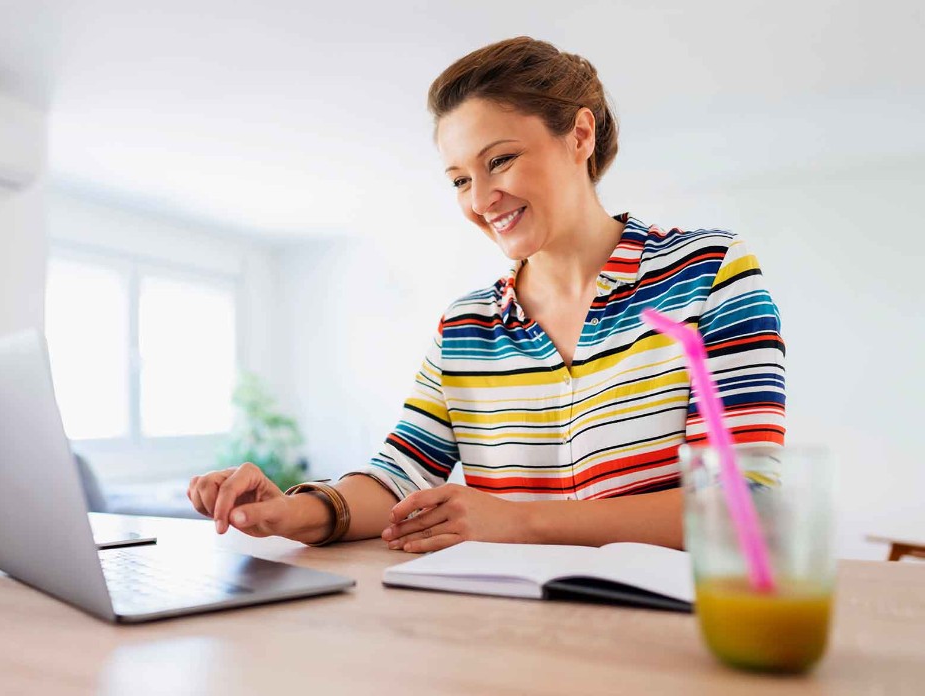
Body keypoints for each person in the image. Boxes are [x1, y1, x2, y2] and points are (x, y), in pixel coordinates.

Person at [187, 36, 785, 554]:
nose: (480, 199)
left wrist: (516, 519)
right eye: (460, 180)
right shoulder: (465, 326)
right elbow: (400, 474)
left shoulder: (709, 272)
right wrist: (297, 511)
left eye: (499, 160)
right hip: (503, 634)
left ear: (579, 135)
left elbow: (743, 505)